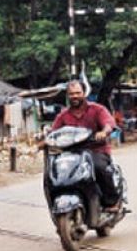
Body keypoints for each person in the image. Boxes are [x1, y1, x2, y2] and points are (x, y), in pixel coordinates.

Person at [51, 80, 121, 212]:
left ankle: (112, 201)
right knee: (58, 172)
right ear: (68, 95)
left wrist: (104, 132)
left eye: (78, 93)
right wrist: (43, 142)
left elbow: (108, 123)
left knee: (99, 167)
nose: (75, 96)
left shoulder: (97, 109)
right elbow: (53, 132)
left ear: (84, 93)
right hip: (72, 154)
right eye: (71, 94)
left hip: (96, 150)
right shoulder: (63, 116)